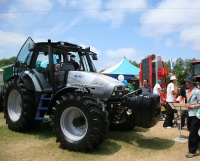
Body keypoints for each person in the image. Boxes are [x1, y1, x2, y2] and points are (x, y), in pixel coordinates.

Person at [184, 76, 200, 158]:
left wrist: (191, 106)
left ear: (191, 83)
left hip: (196, 115)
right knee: (192, 130)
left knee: (192, 133)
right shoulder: (187, 91)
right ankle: (198, 143)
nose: (186, 83)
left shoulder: (197, 92)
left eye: (187, 82)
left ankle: (192, 151)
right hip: (189, 114)